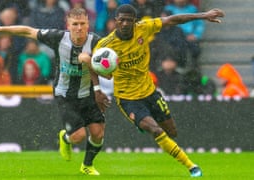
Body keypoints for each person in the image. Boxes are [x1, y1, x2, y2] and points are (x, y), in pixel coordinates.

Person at [81, 4, 224, 177]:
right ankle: (192, 166)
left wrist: (204, 15)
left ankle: (145, 123)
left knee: (172, 132)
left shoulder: (144, 28)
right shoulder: (105, 46)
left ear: (135, 22)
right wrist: (97, 89)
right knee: (156, 130)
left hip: (150, 92)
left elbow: (172, 20)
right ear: (115, 21)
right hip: (128, 99)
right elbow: (95, 68)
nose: (125, 24)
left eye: (129, 20)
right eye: (121, 20)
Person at [0, 7, 109, 175]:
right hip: (65, 94)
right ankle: (65, 138)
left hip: (88, 94)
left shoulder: (97, 43)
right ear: (68, 25)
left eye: (82, 24)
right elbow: (28, 31)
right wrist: (0, 29)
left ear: (88, 24)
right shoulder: (58, 37)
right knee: (78, 137)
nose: (79, 28)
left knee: (98, 133)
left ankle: (87, 166)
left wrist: (91, 64)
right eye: (75, 24)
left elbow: (108, 74)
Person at [165, 0, 205, 69]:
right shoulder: (168, 9)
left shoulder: (192, 9)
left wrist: (195, 35)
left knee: (195, 49)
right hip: (173, 37)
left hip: (188, 37)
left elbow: (199, 24)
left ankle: (192, 68)